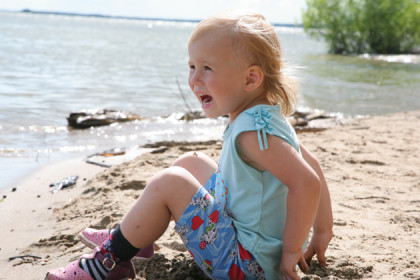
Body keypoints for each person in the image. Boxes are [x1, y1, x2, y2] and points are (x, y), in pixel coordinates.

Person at [46, 10, 333, 280]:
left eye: (207, 68)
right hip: (250, 243)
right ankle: (135, 235)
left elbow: (306, 182)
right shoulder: (268, 119)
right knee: (190, 163)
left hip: (248, 264)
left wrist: (291, 251)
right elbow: (313, 168)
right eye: (192, 66)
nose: (194, 79)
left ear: (251, 78)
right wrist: (322, 230)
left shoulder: (251, 133)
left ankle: (108, 260)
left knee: (170, 182)